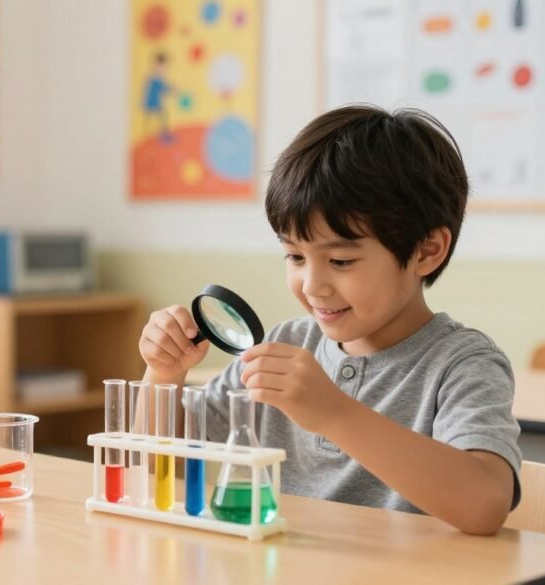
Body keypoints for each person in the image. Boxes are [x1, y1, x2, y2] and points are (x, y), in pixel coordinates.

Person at [138, 105, 521, 535]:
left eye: (340, 260)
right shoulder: (289, 344)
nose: (312, 285)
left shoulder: (462, 363)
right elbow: (154, 465)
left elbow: (485, 504)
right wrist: (163, 376)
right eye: (296, 256)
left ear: (427, 250)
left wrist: (335, 413)